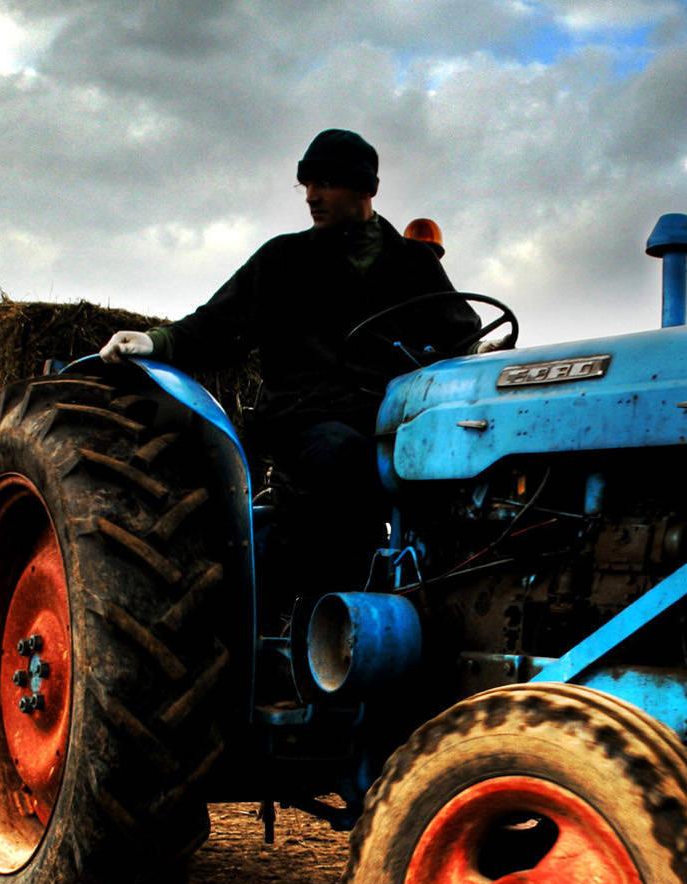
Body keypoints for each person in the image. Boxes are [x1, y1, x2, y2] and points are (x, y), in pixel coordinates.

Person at [99, 129, 477, 603]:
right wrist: (158, 341)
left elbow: (460, 332)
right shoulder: (285, 259)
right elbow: (219, 322)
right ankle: (334, 607)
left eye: (326, 184)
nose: (312, 197)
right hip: (303, 420)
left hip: (387, 419)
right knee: (341, 457)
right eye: (307, 185)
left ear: (366, 188)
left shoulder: (414, 263)